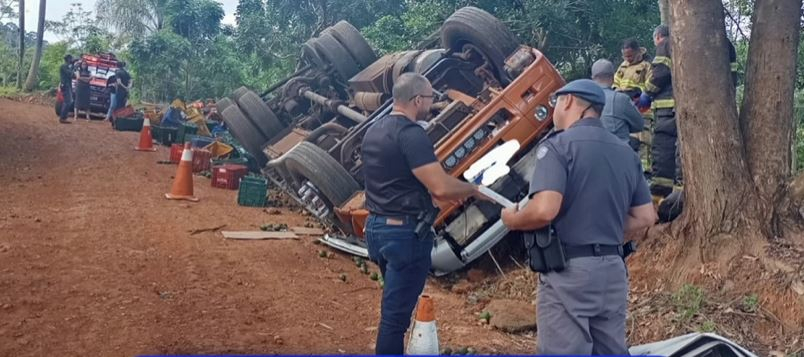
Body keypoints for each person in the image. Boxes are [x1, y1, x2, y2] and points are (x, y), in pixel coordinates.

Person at [500, 79, 656, 355]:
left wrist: (512, 220)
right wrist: (603, 229)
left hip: (569, 273)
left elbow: (545, 209)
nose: (554, 111)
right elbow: (645, 217)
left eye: (555, 102)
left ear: (568, 101)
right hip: (612, 270)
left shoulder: (558, 147)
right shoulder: (625, 152)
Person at [361, 72, 487, 355]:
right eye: (430, 98)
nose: (432, 103)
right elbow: (440, 187)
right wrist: (471, 189)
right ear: (418, 99)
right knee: (394, 320)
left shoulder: (375, 131)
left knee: (393, 312)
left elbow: (396, 179)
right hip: (404, 235)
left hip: (378, 230)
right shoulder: (411, 134)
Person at [640, 24, 676, 199]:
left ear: (658, 37)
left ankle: (660, 195)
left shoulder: (665, 44)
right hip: (677, 110)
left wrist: (646, 92)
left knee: (663, 149)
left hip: (666, 110)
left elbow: (660, 74)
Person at [591, 59, 644, 147]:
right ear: (613, 77)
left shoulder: (583, 100)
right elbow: (639, 125)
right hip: (619, 154)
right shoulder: (621, 99)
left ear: (593, 78)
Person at [58, 54, 75, 124]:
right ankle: (62, 117)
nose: (72, 60)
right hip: (65, 85)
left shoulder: (67, 66)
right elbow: (71, 74)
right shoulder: (64, 66)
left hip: (68, 85)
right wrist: (73, 66)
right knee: (68, 101)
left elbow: (72, 75)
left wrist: (73, 66)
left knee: (69, 101)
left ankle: (64, 116)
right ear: (68, 59)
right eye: (71, 59)